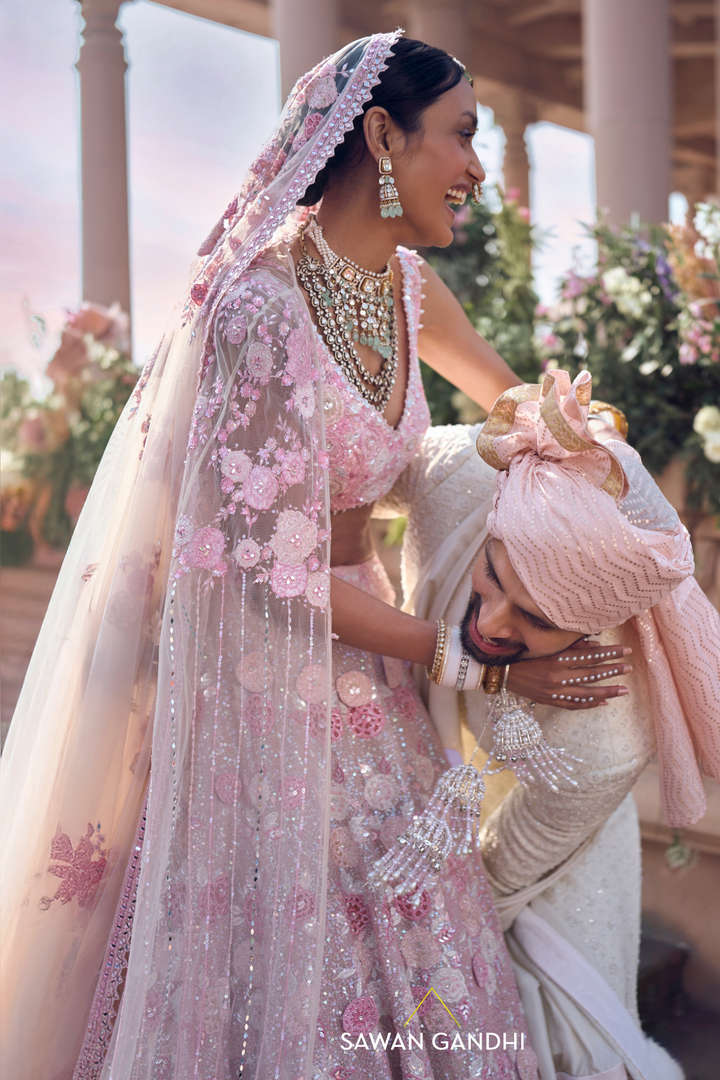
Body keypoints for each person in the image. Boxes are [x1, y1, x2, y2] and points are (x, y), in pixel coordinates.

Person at [2, 33, 629, 1080]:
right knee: (293, 951)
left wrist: (585, 447)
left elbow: (513, 396)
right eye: (463, 136)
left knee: (421, 937)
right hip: (266, 676)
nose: (479, 168)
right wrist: (478, 655)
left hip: (375, 660)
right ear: (384, 134)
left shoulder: (406, 290)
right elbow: (267, 571)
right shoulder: (261, 305)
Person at [382, 368, 720, 1080]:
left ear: (597, 627)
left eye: (536, 622)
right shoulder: (467, 478)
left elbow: (491, 887)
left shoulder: (608, 727)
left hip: (548, 880)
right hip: (425, 774)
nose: (493, 621)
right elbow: (353, 475)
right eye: (493, 576)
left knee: (565, 1048)